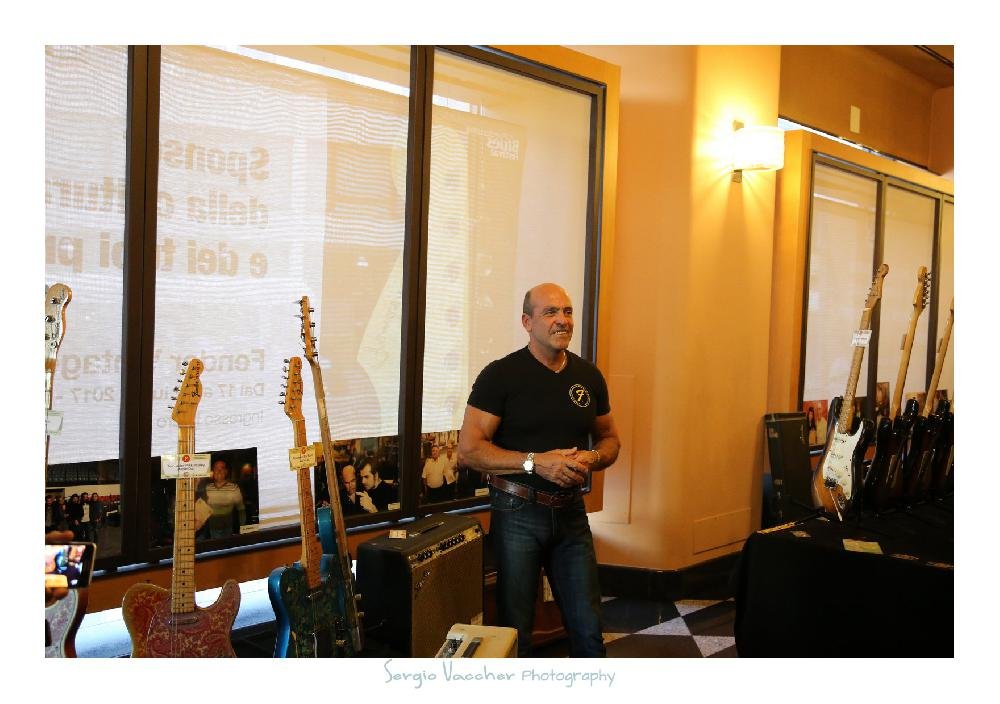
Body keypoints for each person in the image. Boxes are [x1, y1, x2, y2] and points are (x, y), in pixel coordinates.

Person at [458, 282, 620, 657]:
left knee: (589, 629)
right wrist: (535, 462)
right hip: (517, 512)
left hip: (571, 513)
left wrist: (592, 458)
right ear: (527, 322)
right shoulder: (500, 375)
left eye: (567, 311)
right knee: (515, 633)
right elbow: (469, 450)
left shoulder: (588, 376)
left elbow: (610, 438)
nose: (562, 320)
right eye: (550, 312)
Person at [201, 459, 246, 539]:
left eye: (222, 468)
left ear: (226, 471)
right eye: (216, 468)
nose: (219, 471)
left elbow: (241, 508)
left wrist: (243, 527)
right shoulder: (207, 487)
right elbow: (203, 508)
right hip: (212, 528)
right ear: (213, 472)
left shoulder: (234, 488)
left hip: (228, 528)